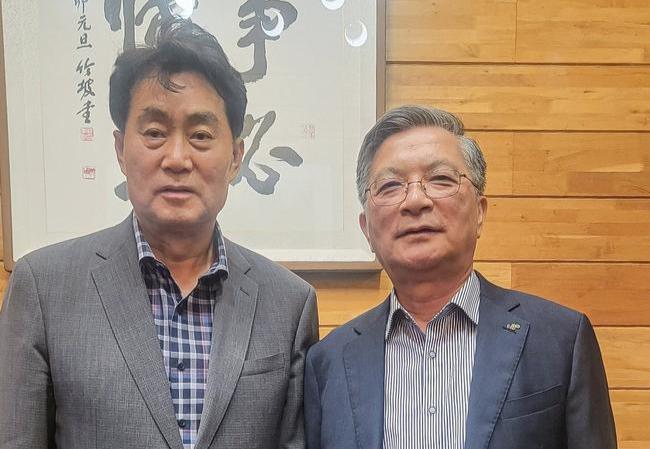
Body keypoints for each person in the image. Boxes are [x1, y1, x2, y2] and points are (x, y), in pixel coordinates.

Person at [0, 18, 318, 449]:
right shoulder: (43, 288)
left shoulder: (290, 303)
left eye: (201, 135)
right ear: (120, 149)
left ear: (235, 157)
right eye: (154, 133)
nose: (177, 158)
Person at [304, 105, 616, 449]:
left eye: (440, 179)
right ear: (366, 228)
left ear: (480, 212)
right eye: (390, 186)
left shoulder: (561, 340)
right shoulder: (328, 362)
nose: (415, 200)